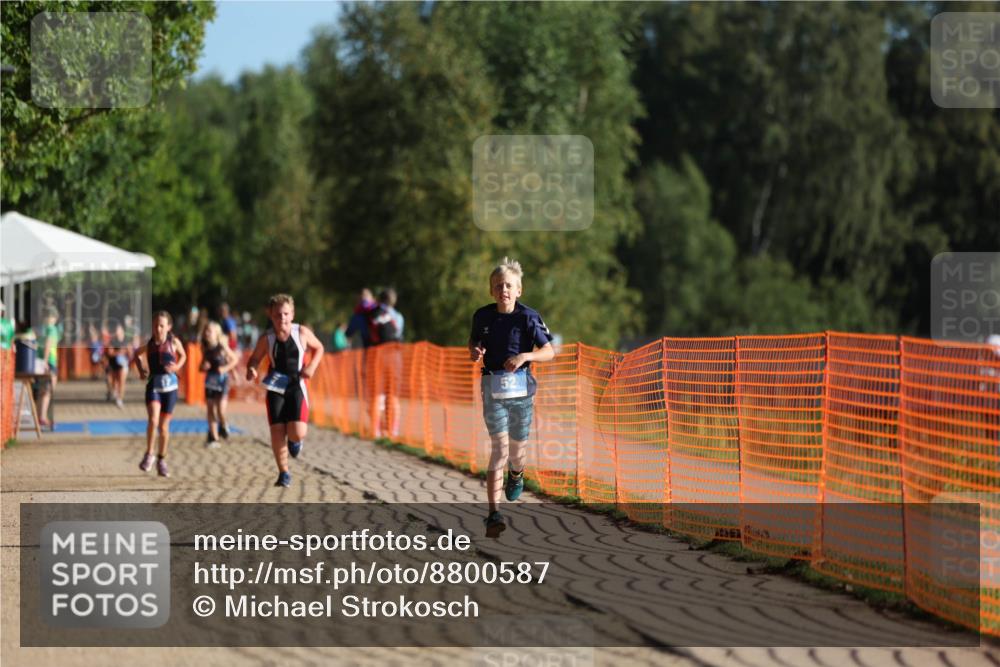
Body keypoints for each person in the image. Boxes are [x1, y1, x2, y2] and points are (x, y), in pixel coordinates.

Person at [469, 257, 555, 537]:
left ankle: (517, 473)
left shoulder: (528, 317)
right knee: (499, 450)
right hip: (492, 388)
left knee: (516, 453)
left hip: (522, 393)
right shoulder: (482, 316)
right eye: (498, 285)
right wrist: (475, 351)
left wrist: (524, 356)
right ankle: (493, 513)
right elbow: (474, 342)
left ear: (519, 290)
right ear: (491, 291)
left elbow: (549, 351)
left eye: (508, 285)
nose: (503, 289)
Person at [246, 294, 324, 487]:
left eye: (286, 314)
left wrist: (312, 366)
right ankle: (284, 472)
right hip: (275, 385)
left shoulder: (302, 333)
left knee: (297, 432)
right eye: (278, 315)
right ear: (271, 316)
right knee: (277, 431)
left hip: (297, 385)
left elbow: (319, 348)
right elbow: (254, 358)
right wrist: (252, 368)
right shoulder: (267, 338)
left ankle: (295, 441)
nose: (282, 318)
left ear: (292, 314)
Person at [135, 311, 186, 477]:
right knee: (153, 419)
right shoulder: (149, 344)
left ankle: (161, 460)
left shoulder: (174, 341)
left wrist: (177, 367)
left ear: (168, 327)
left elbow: (184, 355)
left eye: (162, 325)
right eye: (156, 325)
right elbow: (136, 354)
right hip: (154, 385)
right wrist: (142, 370)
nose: (158, 328)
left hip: (170, 387)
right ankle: (149, 454)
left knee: (164, 426)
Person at [370, 288, 404, 438]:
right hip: (395, 355)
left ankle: (376, 430)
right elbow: (399, 334)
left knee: (378, 393)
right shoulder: (398, 316)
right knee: (394, 394)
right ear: (394, 301)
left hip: (379, 355)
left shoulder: (374, 313)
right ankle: (394, 430)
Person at [200, 321, 239, 447]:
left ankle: (223, 425)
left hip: (222, 381)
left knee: (221, 410)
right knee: (210, 409)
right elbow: (200, 367)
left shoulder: (222, 347)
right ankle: (214, 439)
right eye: (206, 331)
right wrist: (203, 366)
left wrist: (225, 369)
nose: (206, 333)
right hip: (210, 381)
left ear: (217, 334)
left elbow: (234, 359)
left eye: (209, 331)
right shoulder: (204, 348)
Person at [36, 309, 62, 428]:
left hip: (40, 361)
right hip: (49, 362)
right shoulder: (52, 329)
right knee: (48, 391)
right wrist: (46, 361)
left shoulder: (41, 329)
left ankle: (39, 416)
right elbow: (48, 344)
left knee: (42, 390)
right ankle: (43, 417)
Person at [105, 323, 130, 408]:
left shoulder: (126, 341)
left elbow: (130, 353)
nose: (117, 332)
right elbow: (110, 352)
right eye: (116, 330)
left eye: (118, 330)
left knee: (122, 382)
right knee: (113, 381)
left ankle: (120, 399)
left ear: (122, 331)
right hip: (113, 364)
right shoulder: (112, 341)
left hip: (123, 364)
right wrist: (119, 353)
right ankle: (112, 392)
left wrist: (128, 353)